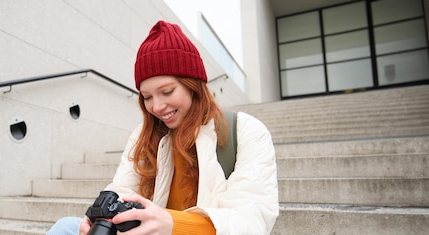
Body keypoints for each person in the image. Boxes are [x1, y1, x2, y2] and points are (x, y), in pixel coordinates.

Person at [47, 20, 278, 235]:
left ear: (193, 86)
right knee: (66, 226)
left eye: (167, 92)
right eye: (147, 97)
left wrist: (172, 223)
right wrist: (100, 218)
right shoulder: (143, 136)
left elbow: (253, 220)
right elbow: (122, 187)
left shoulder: (246, 131)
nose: (156, 107)